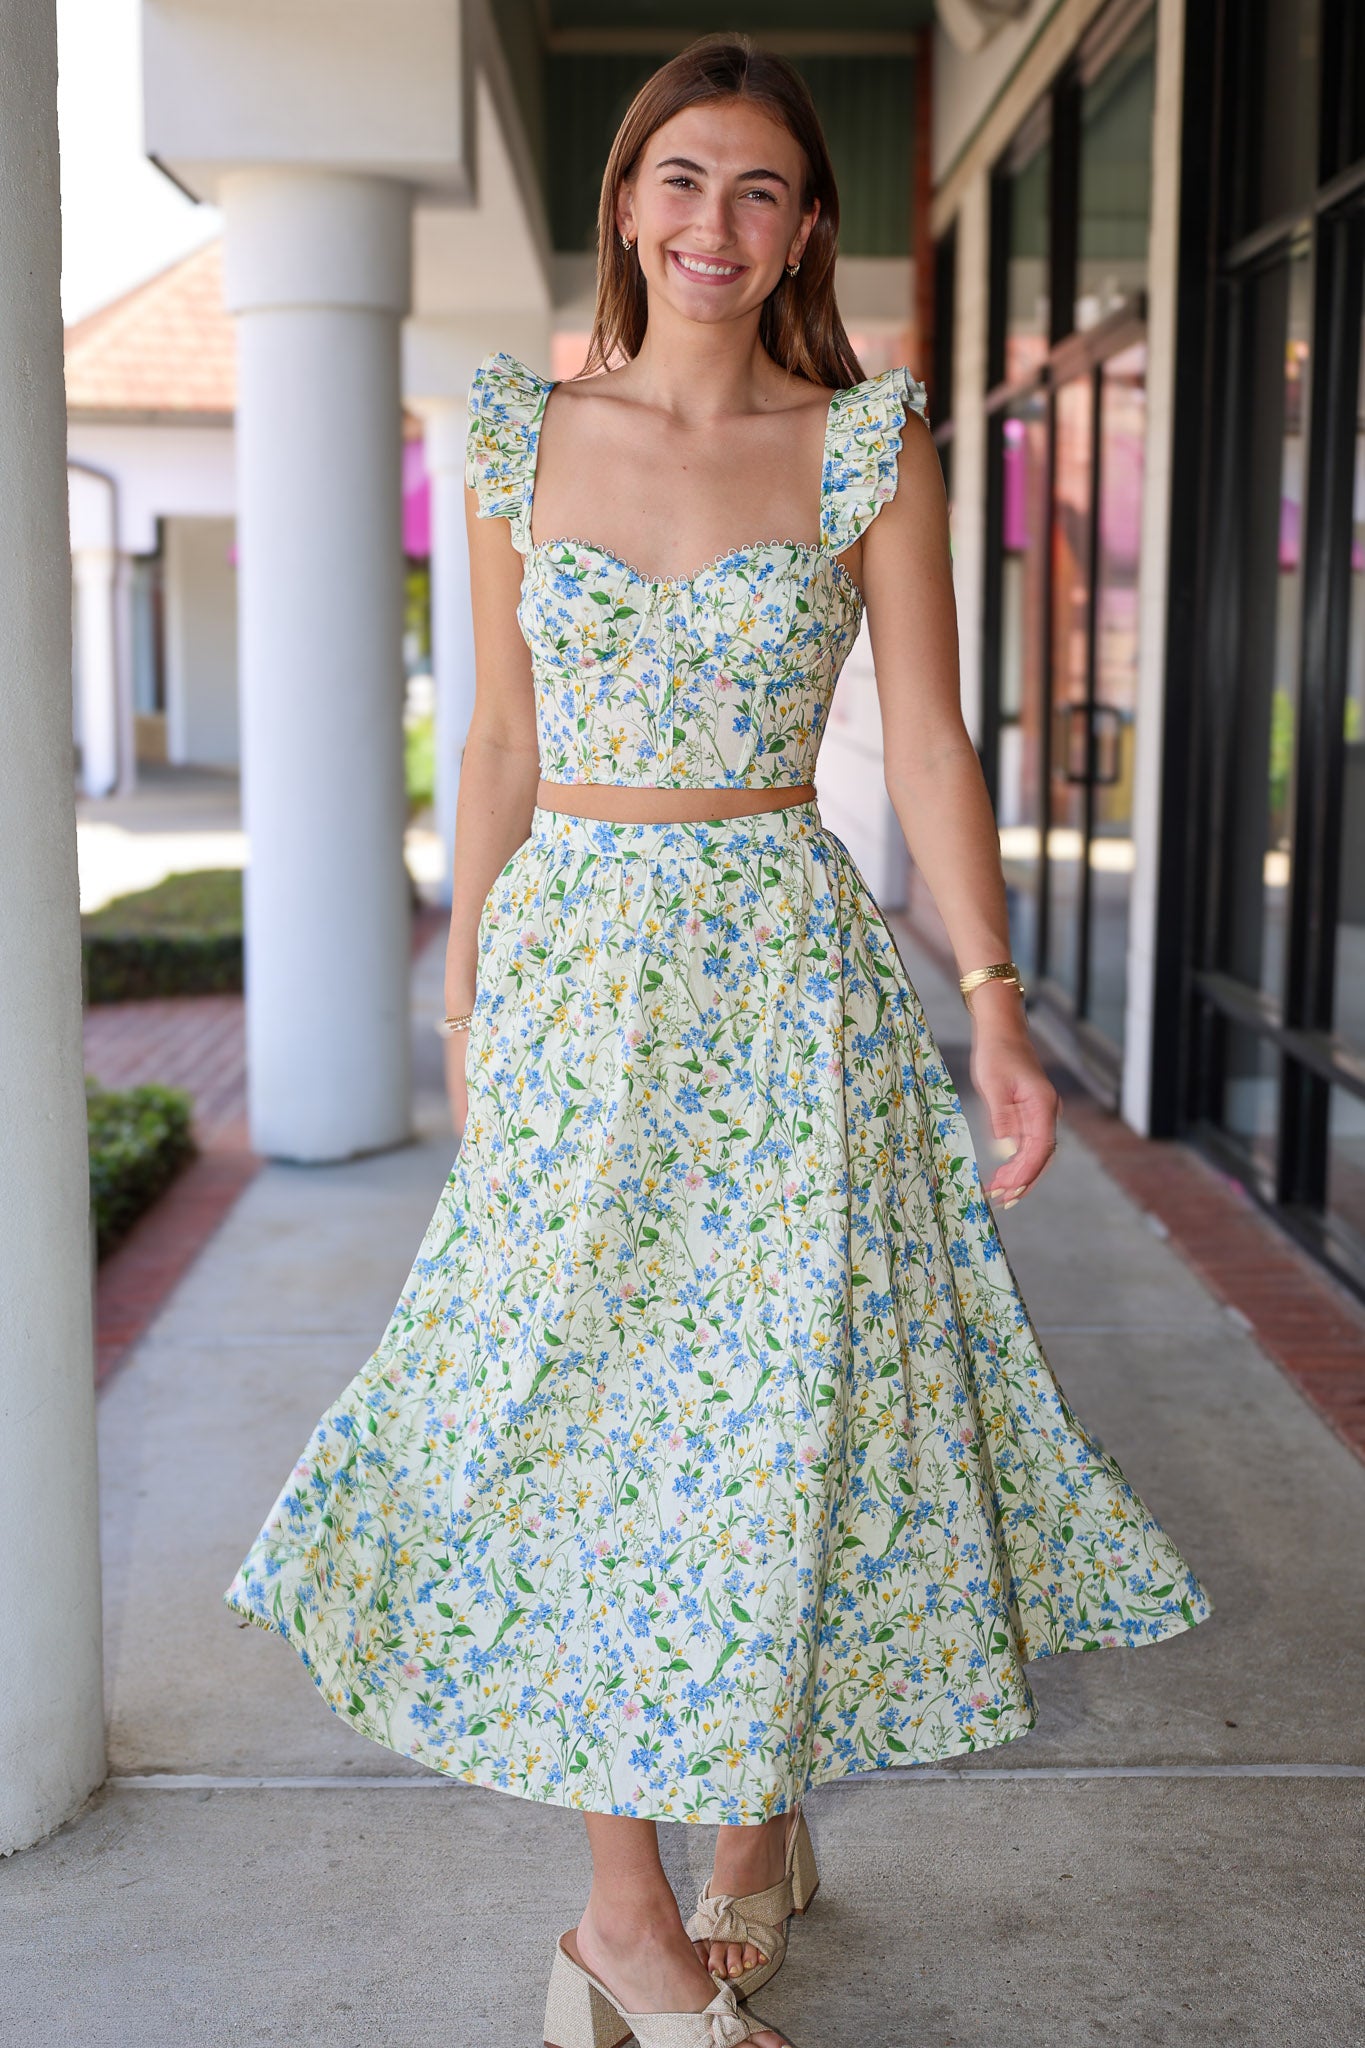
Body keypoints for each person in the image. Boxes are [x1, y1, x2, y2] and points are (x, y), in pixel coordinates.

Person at [225, 34, 1212, 2048]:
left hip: (788, 988)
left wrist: (998, 1005)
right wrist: (463, 1003)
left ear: (800, 231)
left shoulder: (863, 449)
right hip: (584, 986)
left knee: (774, 1428)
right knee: (591, 1435)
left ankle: (751, 1831)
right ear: (621, 201)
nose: (712, 223)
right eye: (679, 179)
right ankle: (621, 1919)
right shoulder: (519, 435)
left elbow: (931, 743)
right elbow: (496, 743)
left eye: (757, 190)